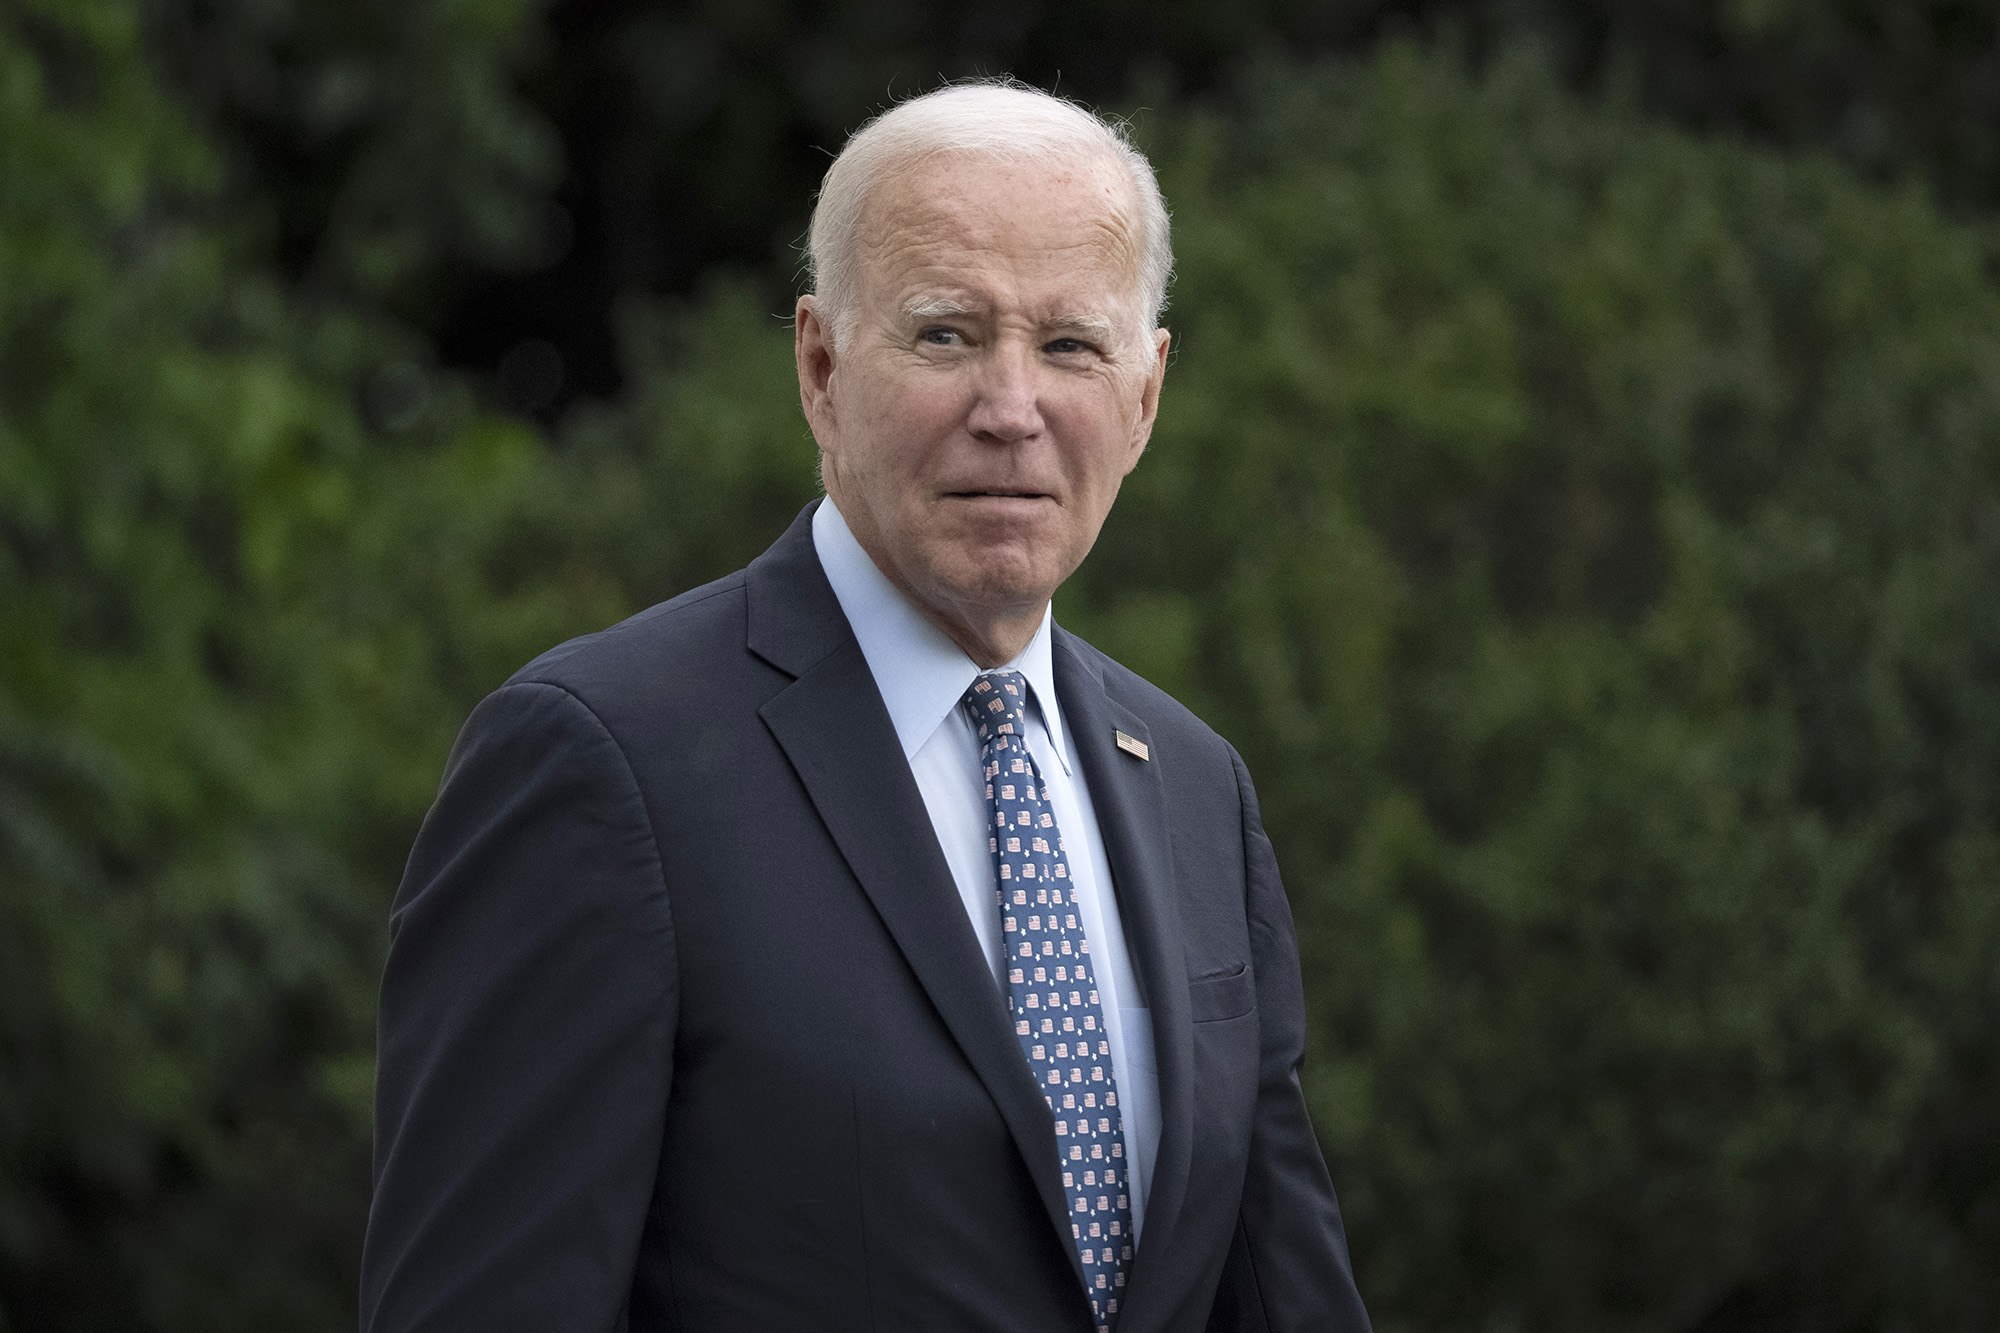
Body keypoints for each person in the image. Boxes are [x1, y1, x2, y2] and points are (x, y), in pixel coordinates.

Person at [360, 81, 1372, 1333]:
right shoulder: (600, 763)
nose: (1011, 408)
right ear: (820, 365)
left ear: (1146, 393)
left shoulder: (1194, 786)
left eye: (1069, 345)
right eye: (946, 334)